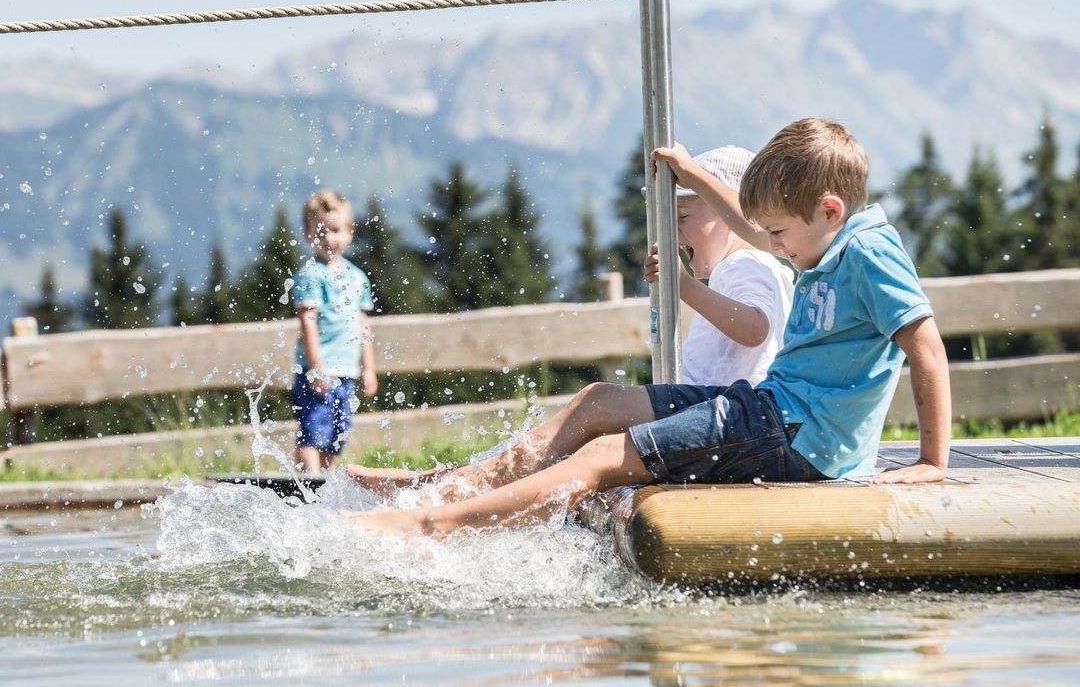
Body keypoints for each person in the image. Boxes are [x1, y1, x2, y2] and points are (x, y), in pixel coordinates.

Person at [351, 118, 951, 537]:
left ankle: (432, 526)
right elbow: (750, 224)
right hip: (770, 413)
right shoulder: (822, 245)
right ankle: (450, 490)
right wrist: (691, 172)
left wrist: (933, 460)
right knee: (600, 402)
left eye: (779, 236)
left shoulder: (868, 252)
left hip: (797, 439)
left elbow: (925, 348)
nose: (769, 246)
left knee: (603, 456)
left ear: (828, 211)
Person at [346, 145, 794, 499]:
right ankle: (450, 483)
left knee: (589, 412)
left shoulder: (747, 265)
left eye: (682, 217)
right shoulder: (740, 269)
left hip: (723, 420)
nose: (673, 233)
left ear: (728, 216)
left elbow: (755, 328)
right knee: (576, 426)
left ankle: (449, 490)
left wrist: (684, 286)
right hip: (713, 414)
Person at [290, 190, 378, 474]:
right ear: (307, 234)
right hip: (319, 369)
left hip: (347, 371)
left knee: (335, 438)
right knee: (312, 432)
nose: (329, 238)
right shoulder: (310, 275)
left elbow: (363, 325)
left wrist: (369, 368)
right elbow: (307, 321)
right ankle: (308, 486)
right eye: (321, 231)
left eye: (336, 230)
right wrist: (317, 368)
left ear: (350, 232)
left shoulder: (357, 277)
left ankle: (320, 487)